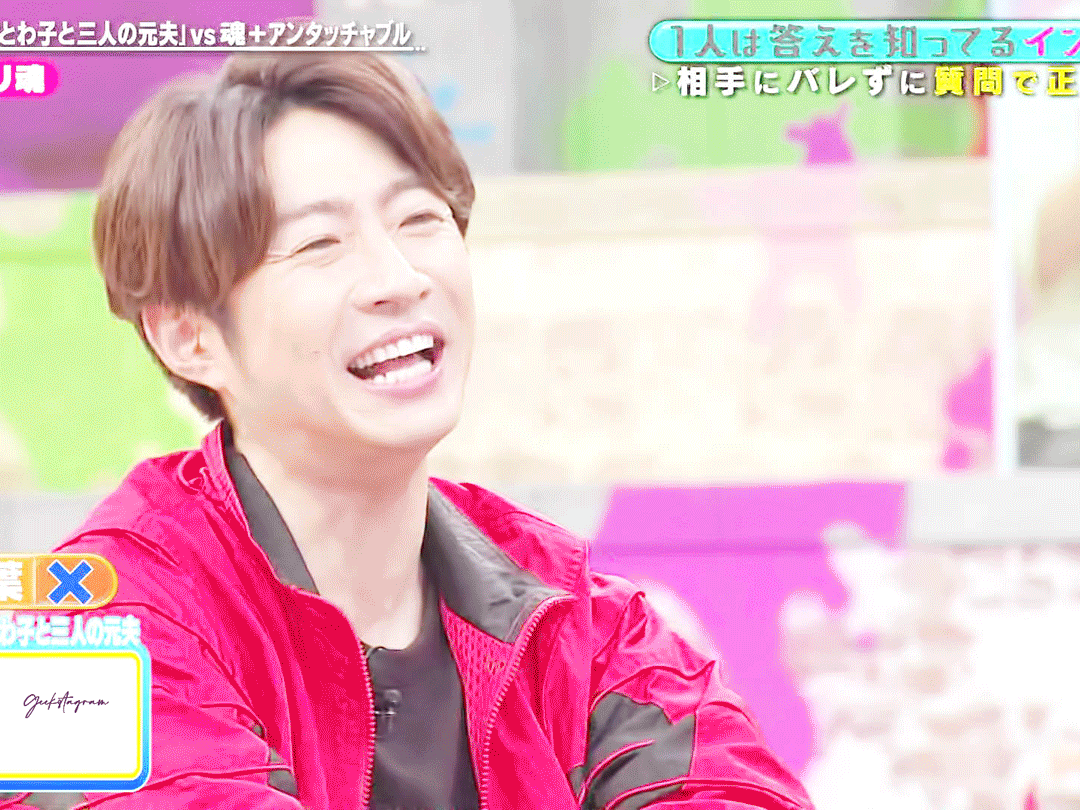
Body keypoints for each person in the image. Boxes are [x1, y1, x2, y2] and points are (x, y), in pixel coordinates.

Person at [8, 52, 814, 810]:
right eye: (320, 244)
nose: (399, 279)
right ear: (189, 336)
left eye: (420, 219)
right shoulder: (81, 644)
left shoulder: (585, 629)